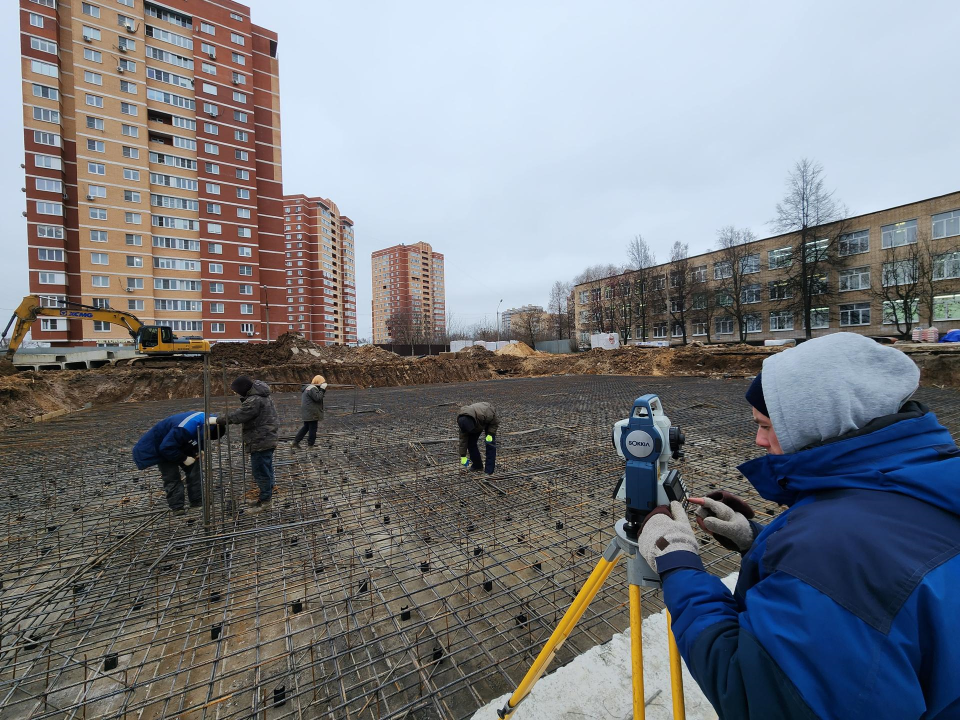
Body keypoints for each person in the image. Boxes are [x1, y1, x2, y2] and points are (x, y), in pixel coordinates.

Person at [637, 332, 960, 719]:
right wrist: (757, 541)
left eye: (767, 425)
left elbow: (751, 691)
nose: (758, 440)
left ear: (817, 423)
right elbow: (880, 568)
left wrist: (676, 561)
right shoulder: (927, 480)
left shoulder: (834, 549)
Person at [133, 411, 221, 514]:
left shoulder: (205, 421)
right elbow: (166, 448)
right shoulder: (184, 428)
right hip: (162, 449)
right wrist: (184, 458)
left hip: (179, 443)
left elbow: (199, 436)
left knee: (195, 471)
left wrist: (198, 449)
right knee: (172, 477)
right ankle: (177, 507)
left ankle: (197, 501)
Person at [217, 376, 279, 510]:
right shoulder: (262, 396)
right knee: (266, 468)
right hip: (267, 438)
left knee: (260, 471)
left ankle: (266, 501)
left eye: (237, 391)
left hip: (260, 440)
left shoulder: (254, 400)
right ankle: (266, 495)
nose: (237, 393)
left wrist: (218, 420)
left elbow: (238, 416)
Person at [457, 402, 499, 474]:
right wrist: (463, 456)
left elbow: (495, 422)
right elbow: (463, 440)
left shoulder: (486, 413)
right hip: (477, 423)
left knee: (490, 444)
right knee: (470, 443)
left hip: (488, 421)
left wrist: (490, 434)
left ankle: (489, 471)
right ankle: (477, 465)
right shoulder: (463, 422)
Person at [293, 374, 327, 449]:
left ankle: (295, 442)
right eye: (322, 382)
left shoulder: (308, 388)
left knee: (306, 427)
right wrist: (322, 389)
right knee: (313, 428)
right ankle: (311, 445)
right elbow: (318, 398)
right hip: (311, 412)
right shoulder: (312, 388)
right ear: (318, 382)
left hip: (308, 411)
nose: (322, 384)